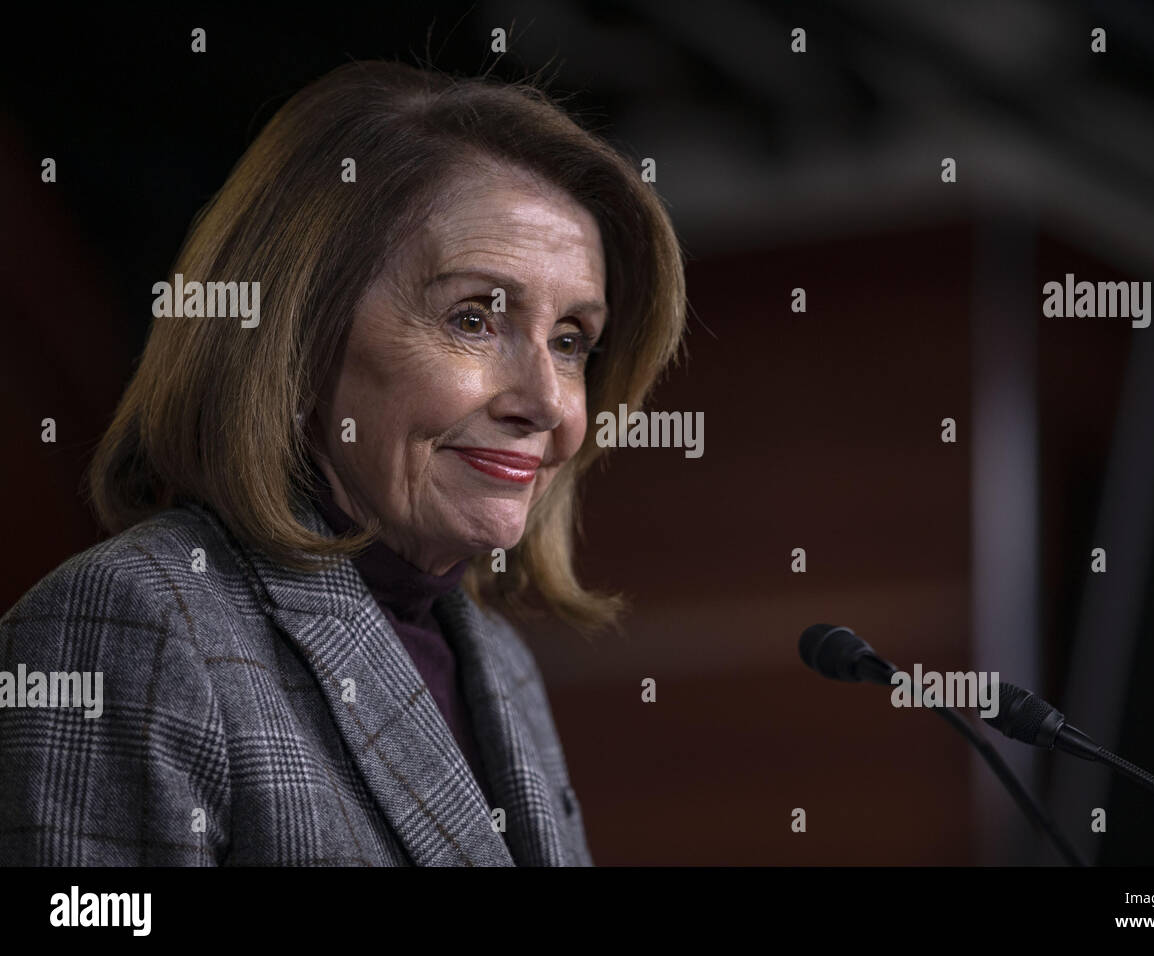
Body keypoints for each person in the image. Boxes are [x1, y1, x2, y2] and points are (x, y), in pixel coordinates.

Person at [0, 61, 686, 866]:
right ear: (301, 337)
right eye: (473, 318)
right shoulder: (125, 627)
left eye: (571, 342)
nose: (548, 402)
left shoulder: (498, 661)